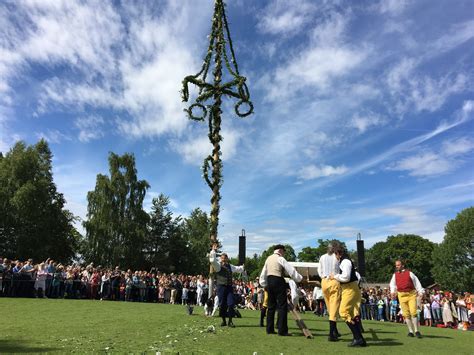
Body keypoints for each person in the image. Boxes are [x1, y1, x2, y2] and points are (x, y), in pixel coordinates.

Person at [259, 244, 302, 336]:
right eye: (284, 252)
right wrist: (299, 278)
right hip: (278, 280)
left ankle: (269, 329)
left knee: (271, 307)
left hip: (269, 282)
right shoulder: (280, 258)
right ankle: (282, 330)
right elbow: (291, 270)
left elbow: (263, 273)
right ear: (281, 251)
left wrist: (263, 284)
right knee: (282, 306)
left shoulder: (268, 258)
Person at [330, 244, 367, 347]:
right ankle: (360, 338)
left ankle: (358, 338)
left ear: (338, 253)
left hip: (349, 288)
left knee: (343, 312)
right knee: (350, 313)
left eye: (335, 255)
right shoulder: (345, 261)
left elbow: (346, 277)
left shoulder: (345, 262)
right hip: (351, 288)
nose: (335, 257)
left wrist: (335, 276)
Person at [209, 244, 244, 328]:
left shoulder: (230, 266)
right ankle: (224, 321)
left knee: (231, 304)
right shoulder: (218, 266)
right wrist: (213, 250)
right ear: (221, 259)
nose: (224, 260)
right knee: (222, 305)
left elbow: (238, 268)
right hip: (221, 287)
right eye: (222, 258)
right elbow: (212, 260)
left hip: (229, 287)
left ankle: (230, 321)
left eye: (225, 258)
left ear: (227, 259)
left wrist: (243, 267)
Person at [389, 260, 424, 338]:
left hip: (411, 294)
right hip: (401, 295)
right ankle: (410, 331)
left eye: (398, 265)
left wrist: (420, 291)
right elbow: (392, 284)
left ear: (402, 265)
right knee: (406, 314)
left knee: (413, 312)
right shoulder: (395, 275)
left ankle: (416, 330)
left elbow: (417, 282)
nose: (396, 267)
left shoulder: (410, 273)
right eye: (396, 265)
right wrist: (392, 292)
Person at [318, 241, 341, 341]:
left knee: (330, 307)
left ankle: (335, 331)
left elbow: (319, 270)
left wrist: (323, 277)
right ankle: (331, 334)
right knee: (334, 308)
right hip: (334, 280)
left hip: (324, 282)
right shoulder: (337, 257)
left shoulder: (322, 257)